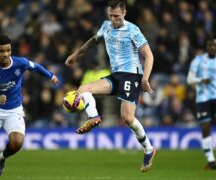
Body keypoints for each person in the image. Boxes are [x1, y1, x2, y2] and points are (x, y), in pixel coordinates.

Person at [65, 0, 156, 172]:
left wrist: (145, 79)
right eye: (111, 16)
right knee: (83, 88)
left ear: (124, 13)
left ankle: (149, 150)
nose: (113, 19)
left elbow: (149, 56)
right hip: (115, 75)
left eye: (117, 16)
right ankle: (93, 117)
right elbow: (93, 41)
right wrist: (76, 55)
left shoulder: (133, 30)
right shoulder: (106, 26)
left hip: (131, 75)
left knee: (127, 118)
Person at [0, 34, 59, 180]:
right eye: (1, 51)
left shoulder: (19, 63)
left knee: (17, 143)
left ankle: (3, 156)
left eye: (8, 50)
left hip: (14, 109)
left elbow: (35, 67)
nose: (6, 54)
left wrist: (50, 76)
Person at [187, 38, 216, 170]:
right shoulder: (198, 60)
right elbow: (189, 79)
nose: (212, 47)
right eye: (210, 45)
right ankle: (211, 160)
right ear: (207, 46)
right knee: (206, 127)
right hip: (203, 98)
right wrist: (201, 80)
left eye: (215, 45)